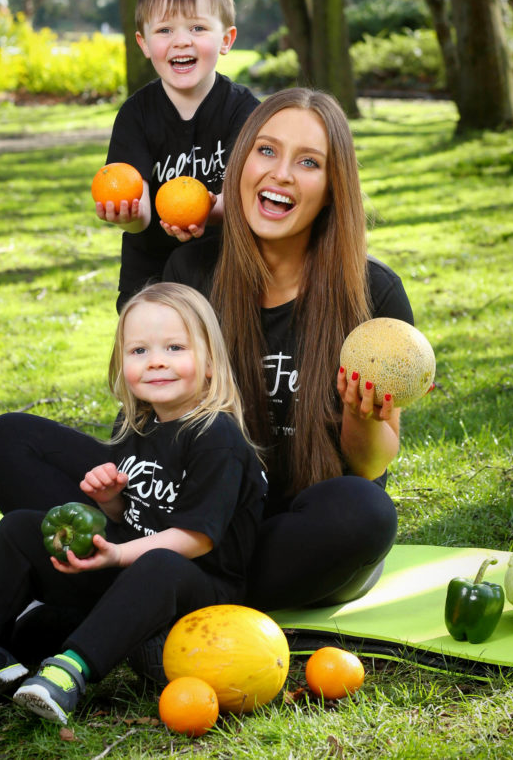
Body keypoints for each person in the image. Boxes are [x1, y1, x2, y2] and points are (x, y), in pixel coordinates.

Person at [0, 283, 267, 724]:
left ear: (210, 362)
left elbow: (194, 539)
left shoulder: (215, 436)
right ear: (122, 364)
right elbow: (140, 515)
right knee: (18, 529)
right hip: (134, 568)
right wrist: (112, 503)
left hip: (197, 590)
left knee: (158, 562)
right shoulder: (139, 424)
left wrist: (116, 553)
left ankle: (70, 670)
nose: (156, 360)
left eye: (175, 347)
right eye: (139, 350)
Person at [163, 87, 416, 611]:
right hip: (208, 522)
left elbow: (369, 467)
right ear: (240, 164)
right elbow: (159, 436)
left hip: (307, 531)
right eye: (266, 150)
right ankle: (181, 576)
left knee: (364, 512)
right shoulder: (192, 274)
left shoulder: (375, 295)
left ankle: (171, 587)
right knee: (9, 441)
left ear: (331, 189)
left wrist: (360, 415)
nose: (281, 173)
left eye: (308, 162)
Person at [97, 0, 260, 312]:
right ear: (143, 43)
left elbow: (245, 197)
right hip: (151, 273)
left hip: (224, 270)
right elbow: (137, 207)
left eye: (198, 27)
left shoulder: (245, 111)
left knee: (222, 359)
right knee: (154, 358)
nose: (181, 41)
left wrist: (204, 211)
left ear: (226, 40)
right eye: (165, 30)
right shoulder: (135, 115)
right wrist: (124, 213)